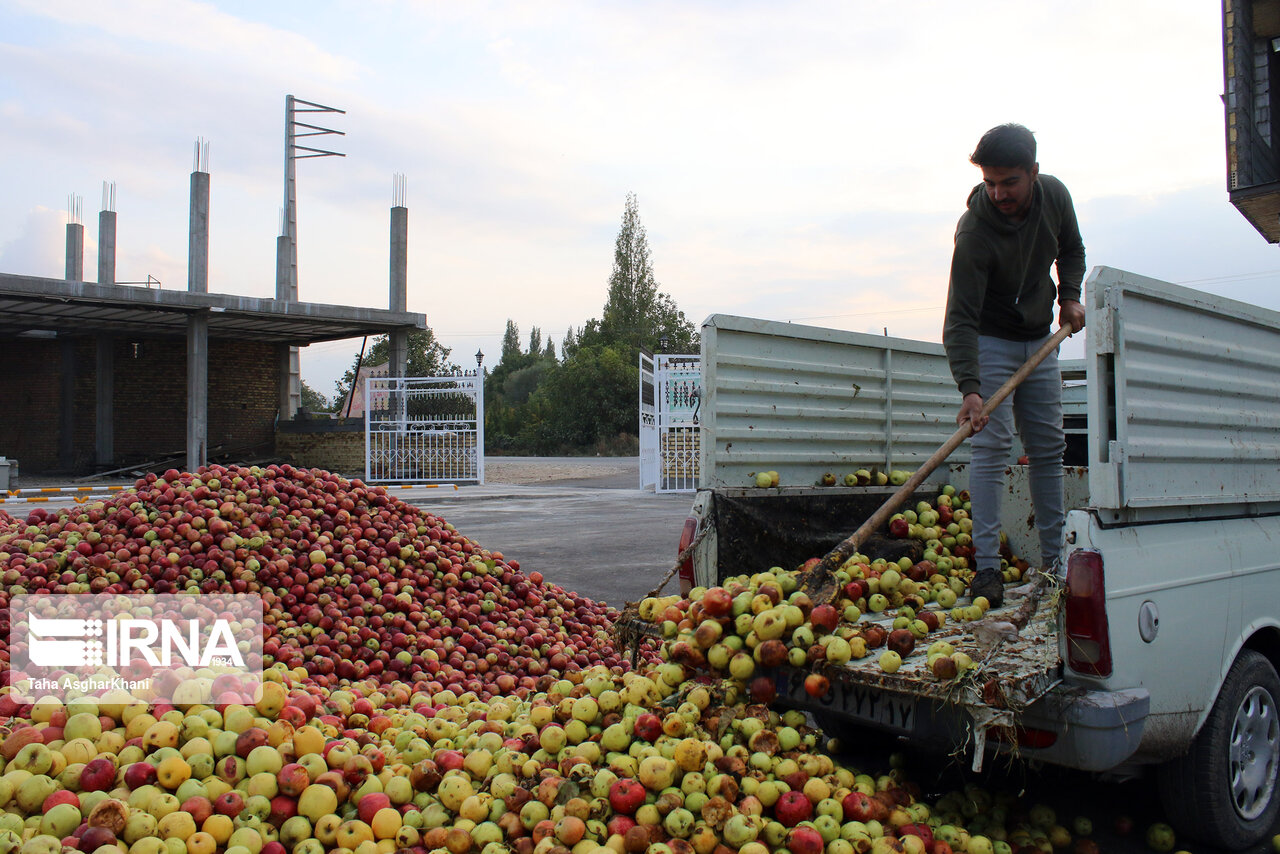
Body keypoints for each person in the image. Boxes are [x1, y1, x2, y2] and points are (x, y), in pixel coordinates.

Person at [942, 123, 1086, 608]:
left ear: (1034, 173)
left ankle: (1052, 566)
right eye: (990, 183)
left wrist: (1069, 296)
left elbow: (1071, 250)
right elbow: (959, 317)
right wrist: (971, 389)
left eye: (1009, 182)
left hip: (1040, 338)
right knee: (990, 447)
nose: (998, 193)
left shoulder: (1055, 197)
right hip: (990, 340)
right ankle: (987, 571)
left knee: (1048, 448)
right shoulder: (975, 229)